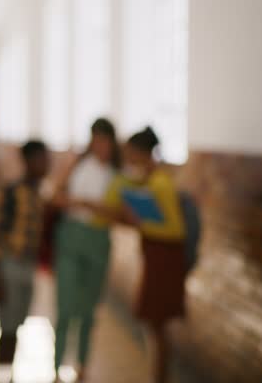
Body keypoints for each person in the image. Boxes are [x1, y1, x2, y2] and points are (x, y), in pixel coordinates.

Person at [104, 127, 186, 383]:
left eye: (131, 154)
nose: (128, 160)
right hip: (154, 258)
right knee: (153, 324)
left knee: (157, 324)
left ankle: (159, 377)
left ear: (141, 153)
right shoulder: (147, 181)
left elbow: (175, 230)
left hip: (165, 261)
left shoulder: (161, 183)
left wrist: (140, 223)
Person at [52, 118, 121, 381]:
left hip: (98, 240)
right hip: (71, 237)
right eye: (96, 140)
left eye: (105, 140)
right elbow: (56, 195)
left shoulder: (117, 173)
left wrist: (88, 205)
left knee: (89, 309)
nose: (100, 145)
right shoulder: (78, 164)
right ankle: (57, 365)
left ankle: (82, 365)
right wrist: (73, 201)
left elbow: (119, 213)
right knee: (66, 306)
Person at [0, 140, 50, 365]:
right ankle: (3, 371)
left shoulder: (38, 193)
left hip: (28, 263)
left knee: (20, 319)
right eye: (40, 160)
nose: (45, 164)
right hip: (10, 263)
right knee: (9, 322)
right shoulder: (12, 192)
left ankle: (9, 370)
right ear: (28, 162)